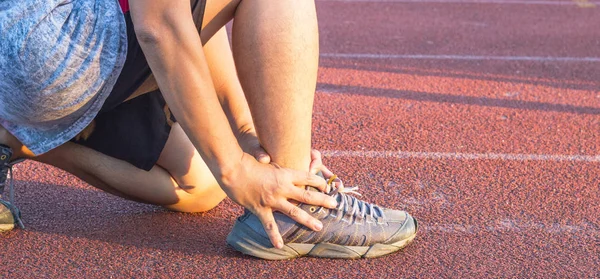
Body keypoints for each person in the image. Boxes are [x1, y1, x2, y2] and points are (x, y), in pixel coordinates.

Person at [0, 0, 417, 259]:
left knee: (198, 187)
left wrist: (245, 136)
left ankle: (14, 140)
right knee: (223, 170)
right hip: (46, 48)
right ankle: (301, 209)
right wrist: (236, 169)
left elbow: (193, 16)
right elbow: (162, 23)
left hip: (28, 56)